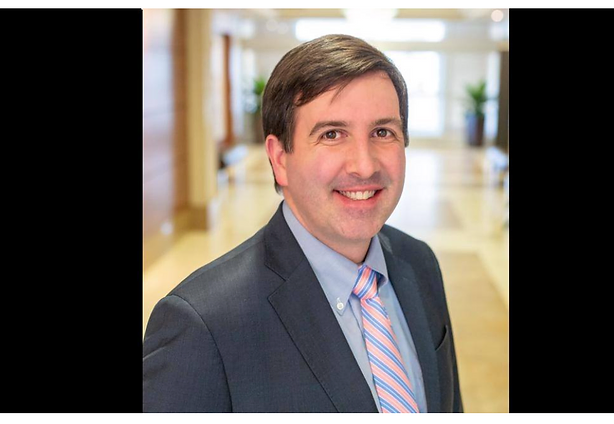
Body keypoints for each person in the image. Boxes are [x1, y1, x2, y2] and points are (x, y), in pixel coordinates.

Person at [143, 34, 463, 413]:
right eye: (332, 134)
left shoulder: (419, 263)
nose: (364, 165)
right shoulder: (202, 325)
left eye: (382, 132)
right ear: (280, 158)